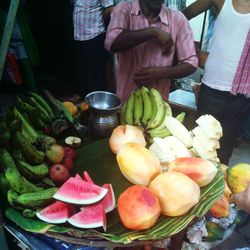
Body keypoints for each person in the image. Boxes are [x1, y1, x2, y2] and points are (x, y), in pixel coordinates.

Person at [183, 0, 250, 165]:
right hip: (212, 88)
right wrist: (191, 51)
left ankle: (217, 190)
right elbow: (181, 18)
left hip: (241, 94)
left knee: (224, 153)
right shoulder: (222, 1)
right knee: (199, 146)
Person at [104, 0, 198, 102]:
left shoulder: (177, 19)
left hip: (158, 105)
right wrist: (151, 32)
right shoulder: (124, 9)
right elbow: (111, 42)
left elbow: (191, 64)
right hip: (125, 101)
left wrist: (162, 73)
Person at [72, 0, 114, 97]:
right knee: (82, 70)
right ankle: (84, 99)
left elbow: (110, 9)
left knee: (97, 73)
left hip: (95, 35)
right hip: (78, 36)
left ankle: (99, 101)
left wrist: (100, 25)